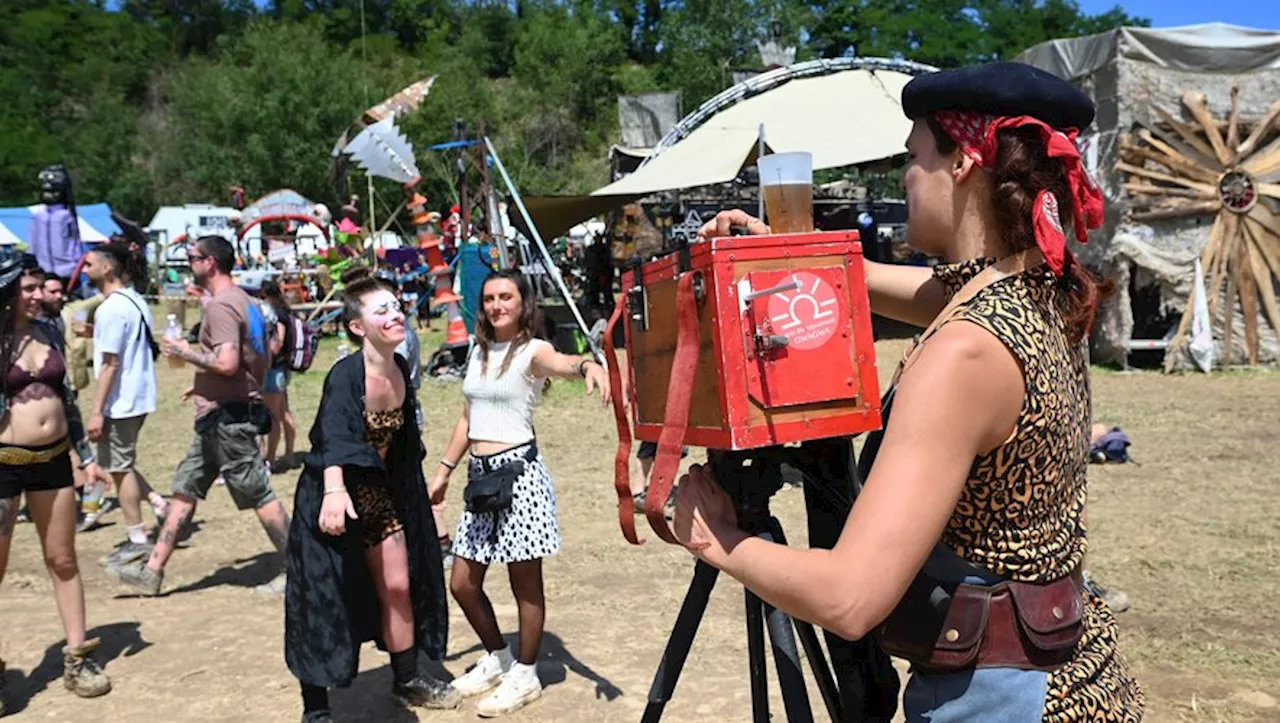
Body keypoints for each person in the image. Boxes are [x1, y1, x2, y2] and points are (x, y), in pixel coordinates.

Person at [677, 62, 1143, 720]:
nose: (905, 176)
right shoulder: (1043, 294)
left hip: (1000, 694)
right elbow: (935, 293)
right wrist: (795, 248)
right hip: (1068, 670)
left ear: (963, 163)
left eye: (915, 154)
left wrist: (715, 535)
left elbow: (849, 599)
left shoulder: (965, 352)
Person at [429, 269, 610, 717]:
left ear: (522, 302)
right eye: (489, 298)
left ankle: (525, 673)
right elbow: (467, 418)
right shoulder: (479, 349)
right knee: (463, 583)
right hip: (481, 478)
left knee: (523, 584)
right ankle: (500, 658)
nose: (496, 305)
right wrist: (444, 471)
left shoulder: (532, 351)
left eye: (505, 296)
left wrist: (587, 365)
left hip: (519, 477)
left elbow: (564, 363)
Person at [285, 275, 458, 722]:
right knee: (325, 599)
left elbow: (402, 445)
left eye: (395, 306)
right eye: (380, 310)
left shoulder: (400, 367)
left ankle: (407, 677)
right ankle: (316, 707)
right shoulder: (345, 375)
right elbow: (332, 436)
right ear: (357, 326)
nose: (395, 314)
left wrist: (423, 500)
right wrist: (335, 491)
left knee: (399, 586)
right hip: (330, 499)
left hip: (379, 497)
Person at [108, 235, 290, 596]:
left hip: (229, 420)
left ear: (210, 263)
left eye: (193, 257)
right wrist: (207, 385)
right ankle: (152, 570)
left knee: (258, 492)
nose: (189, 262)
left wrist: (185, 353)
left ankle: (300, 568)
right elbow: (261, 356)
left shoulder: (222, 306)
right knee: (185, 488)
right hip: (219, 413)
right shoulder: (245, 301)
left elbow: (226, 362)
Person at [0, 255, 113, 710]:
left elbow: (66, 399)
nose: (36, 293)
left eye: (38, 286)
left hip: (52, 461)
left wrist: (85, 457)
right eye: (26, 287)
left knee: (63, 559)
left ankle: (78, 657)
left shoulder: (50, 331)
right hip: (3, 464)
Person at [82, 242, 168, 567]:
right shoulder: (134, 300)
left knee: (118, 468)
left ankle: (137, 538)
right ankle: (159, 504)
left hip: (121, 401)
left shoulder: (110, 308)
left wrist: (96, 411)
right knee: (122, 461)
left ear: (107, 268)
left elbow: (110, 365)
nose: (85, 269)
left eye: (89, 264)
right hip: (138, 395)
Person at [259, 279, 299, 473]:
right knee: (283, 413)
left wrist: (263, 352)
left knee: (273, 416)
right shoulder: (284, 312)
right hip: (281, 370)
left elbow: (279, 342)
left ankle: (270, 457)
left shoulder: (278, 316)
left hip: (275, 370)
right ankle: (289, 454)